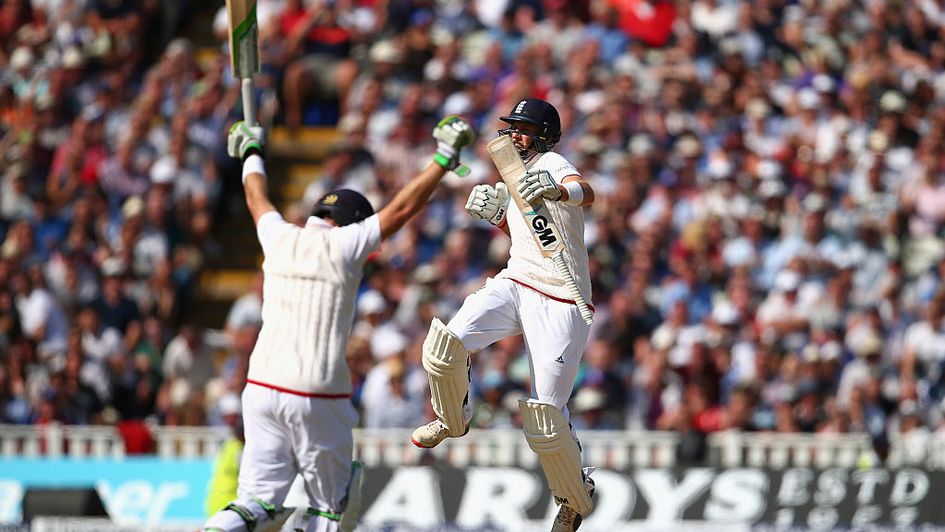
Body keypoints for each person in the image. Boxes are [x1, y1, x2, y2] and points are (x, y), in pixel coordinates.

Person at [202, 114, 474, 532]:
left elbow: (257, 197)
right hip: (317, 390)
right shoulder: (346, 244)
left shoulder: (278, 236)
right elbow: (402, 208)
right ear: (353, 223)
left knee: (255, 503)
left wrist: (252, 153)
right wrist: (443, 157)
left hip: (258, 388)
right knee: (332, 506)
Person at [410, 98, 597, 531]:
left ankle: (575, 497)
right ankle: (451, 418)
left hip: (561, 299)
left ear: (545, 134)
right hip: (516, 282)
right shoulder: (512, 171)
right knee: (444, 346)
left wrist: (556, 189)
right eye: (512, 127)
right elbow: (535, 236)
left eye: (523, 128)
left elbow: (585, 191)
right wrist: (498, 216)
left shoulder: (552, 162)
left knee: (546, 419)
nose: (514, 134)